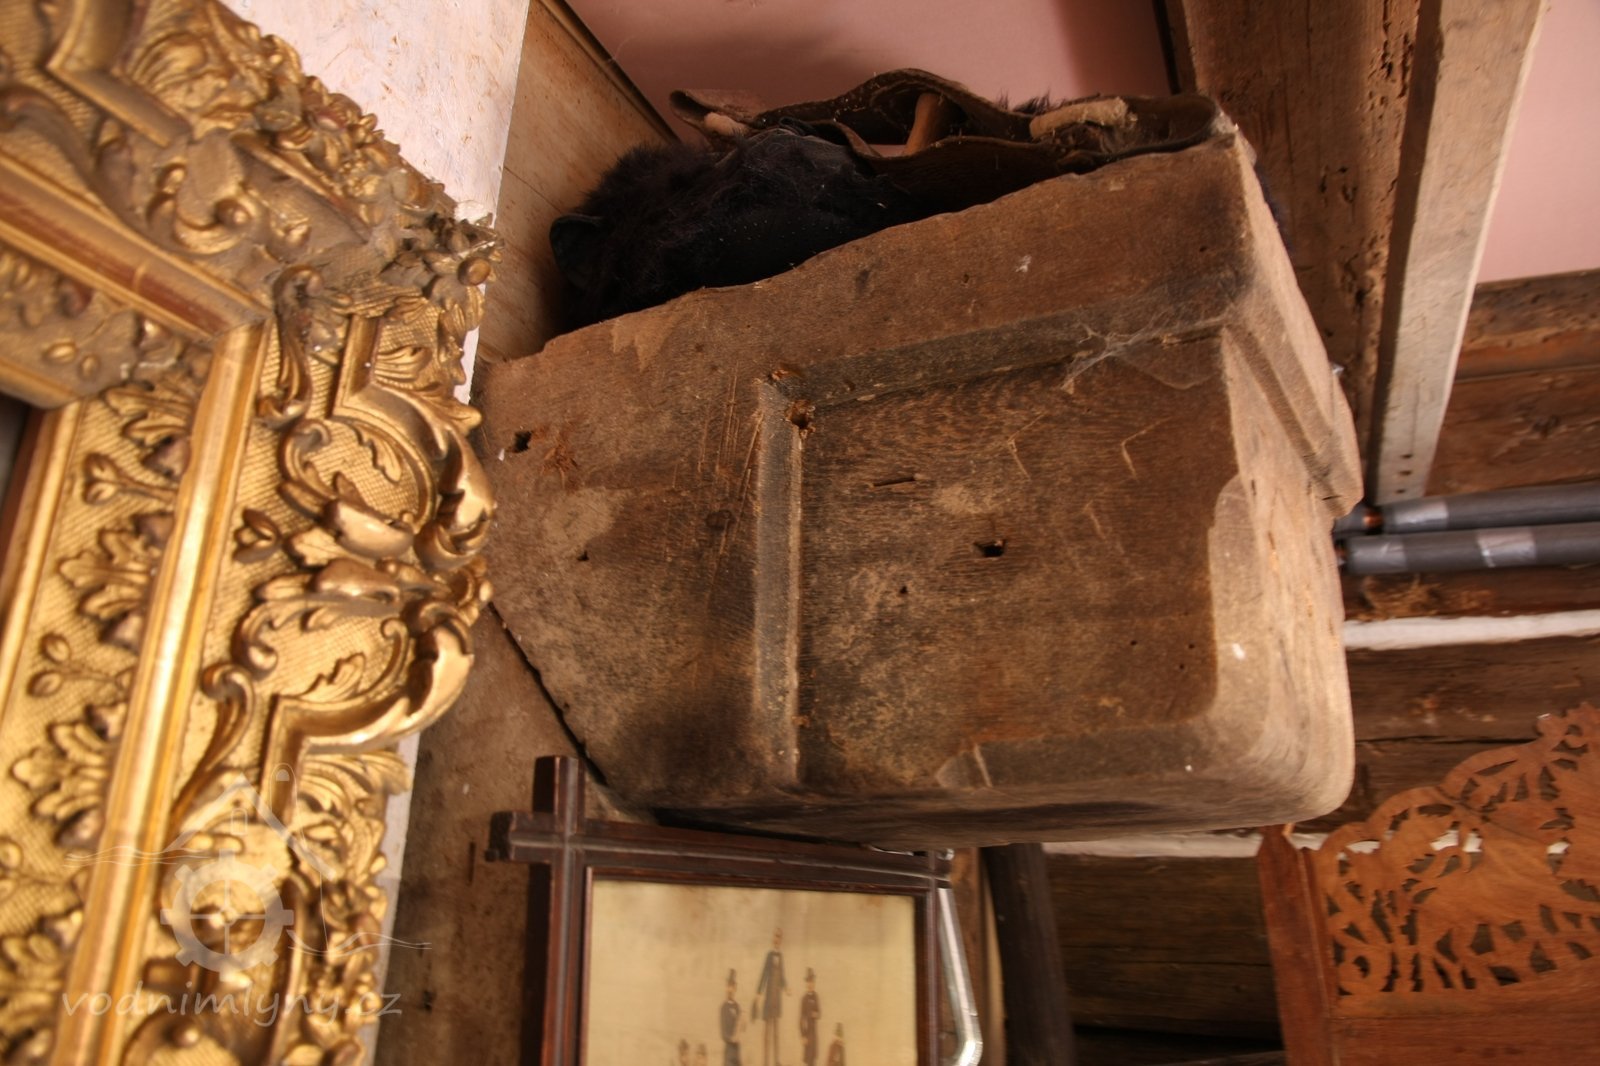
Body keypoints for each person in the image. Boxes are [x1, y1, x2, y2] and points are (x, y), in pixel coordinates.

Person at [753, 928, 788, 1066]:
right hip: (768, 1001)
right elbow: (764, 974)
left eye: (779, 937)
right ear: (773, 939)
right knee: (767, 1035)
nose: (777, 939)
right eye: (775, 937)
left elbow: (782, 977)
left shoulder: (781, 957)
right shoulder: (769, 956)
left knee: (776, 1034)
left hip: (777, 1001)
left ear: (781, 940)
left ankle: (776, 1061)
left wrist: (786, 988)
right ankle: (765, 1063)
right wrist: (758, 992)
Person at [798, 968, 821, 1066]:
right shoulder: (804, 999)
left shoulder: (816, 996)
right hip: (807, 1033)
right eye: (808, 982)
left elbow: (819, 1013)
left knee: (813, 1059)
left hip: (814, 1033)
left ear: (814, 983)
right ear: (806, 984)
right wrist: (803, 1035)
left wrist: (815, 1014)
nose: (810, 984)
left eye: (812, 982)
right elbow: (801, 1019)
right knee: (808, 1060)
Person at [721, 969, 743, 1066]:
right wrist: (731, 1038)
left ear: (735, 988)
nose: (730, 990)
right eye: (728, 987)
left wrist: (743, 1023)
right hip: (729, 1050)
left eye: (732, 987)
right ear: (726, 988)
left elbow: (741, 1028)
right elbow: (723, 1033)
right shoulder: (723, 1008)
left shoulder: (737, 1007)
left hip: (737, 1049)